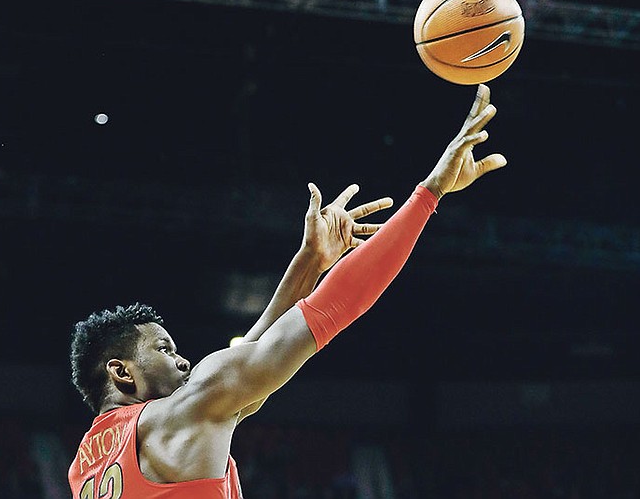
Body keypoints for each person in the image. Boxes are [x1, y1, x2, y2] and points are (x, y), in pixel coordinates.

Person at [68, 84, 506, 499]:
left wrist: (310, 261)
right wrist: (430, 193)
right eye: (163, 348)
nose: (183, 359)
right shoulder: (185, 411)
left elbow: (253, 355)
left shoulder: (85, 466)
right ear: (122, 372)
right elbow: (329, 310)